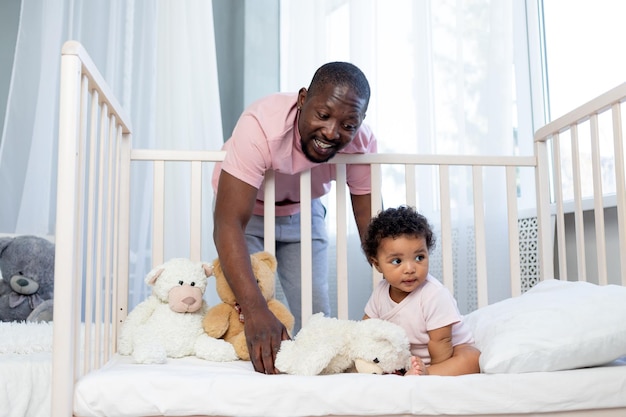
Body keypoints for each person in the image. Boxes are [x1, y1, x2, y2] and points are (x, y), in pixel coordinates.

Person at [212, 62, 377, 374]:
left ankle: (308, 388)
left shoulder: (361, 141)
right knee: (243, 311)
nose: (331, 132)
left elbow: (373, 229)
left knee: (316, 311)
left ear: (360, 121)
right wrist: (256, 308)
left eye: (347, 124)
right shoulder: (260, 124)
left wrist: (402, 280)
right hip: (247, 215)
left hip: (304, 211)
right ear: (302, 100)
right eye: (323, 115)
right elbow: (228, 222)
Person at [361, 205, 480, 376]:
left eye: (419, 257)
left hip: (448, 351)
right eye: (397, 261)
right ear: (377, 264)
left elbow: (441, 340)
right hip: (409, 357)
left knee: (472, 357)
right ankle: (413, 371)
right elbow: (367, 328)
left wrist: (434, 371)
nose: (410, 268)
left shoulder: (434, 294)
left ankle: (428, 373)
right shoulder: (380, 292)